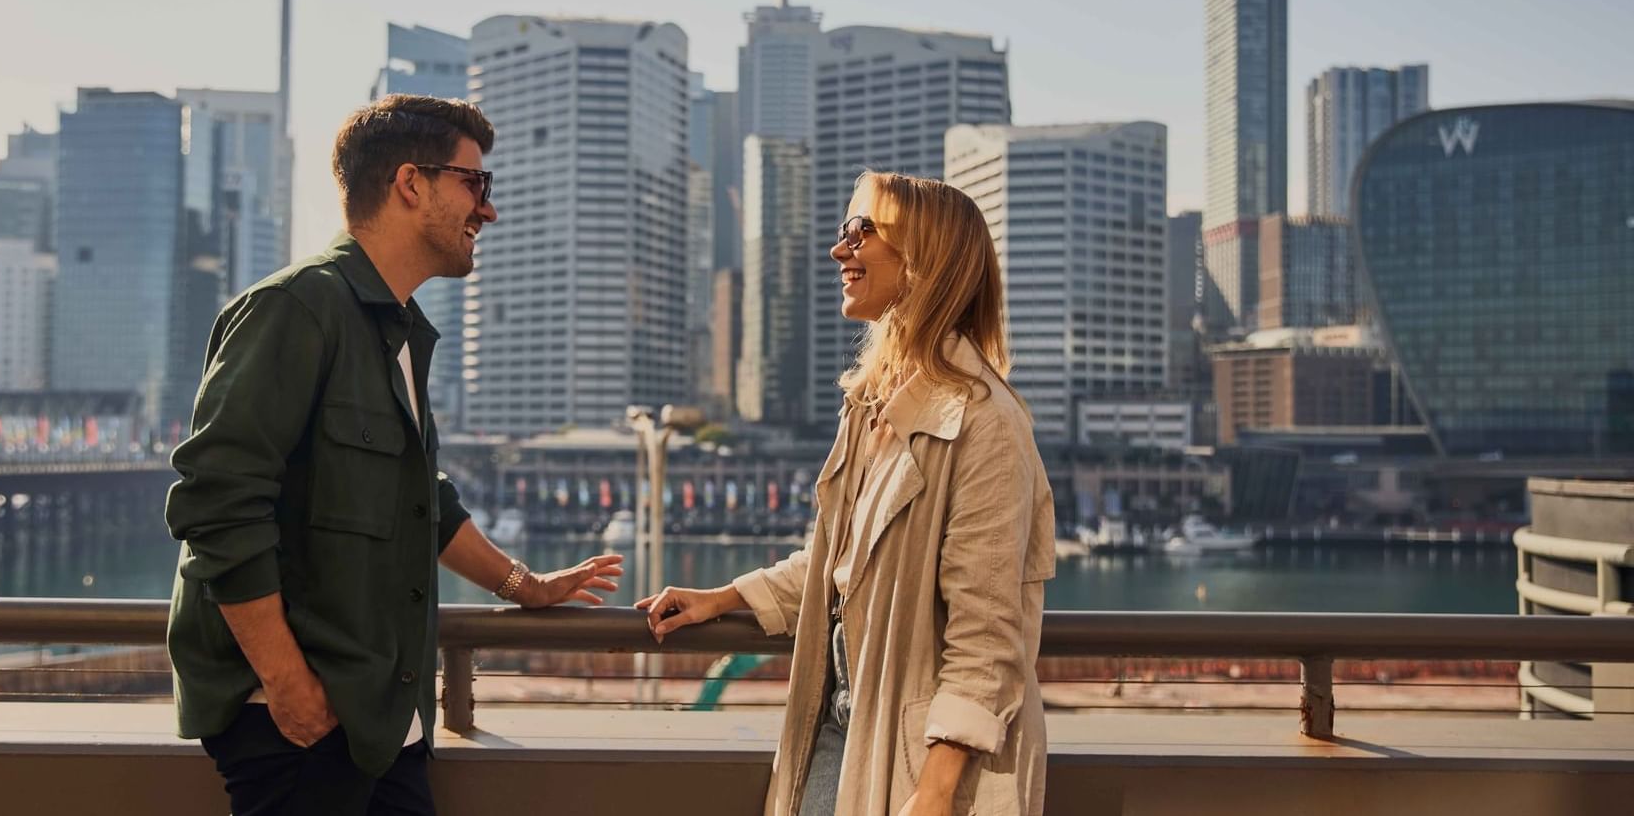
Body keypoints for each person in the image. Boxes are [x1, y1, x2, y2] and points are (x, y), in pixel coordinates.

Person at [165, 94, 623, 816]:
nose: (488, 210)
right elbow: (215, 501)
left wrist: (524, 584)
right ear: (412, 183)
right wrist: (287, 683)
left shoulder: (399, 329)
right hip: (300, 721)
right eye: (476, 183)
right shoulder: (296, 308)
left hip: (382, 720)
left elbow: (421, 499)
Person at [637, 171, 1055, 816]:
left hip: (921, 749)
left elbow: (988, 630)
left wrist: (937, 792)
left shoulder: (984, 424)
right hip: (842, 719)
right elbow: (846, 564)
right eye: (843, 230)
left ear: (927, 255)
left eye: (863, 231)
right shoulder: (873, 401)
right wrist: (726, 597)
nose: (841, 249)